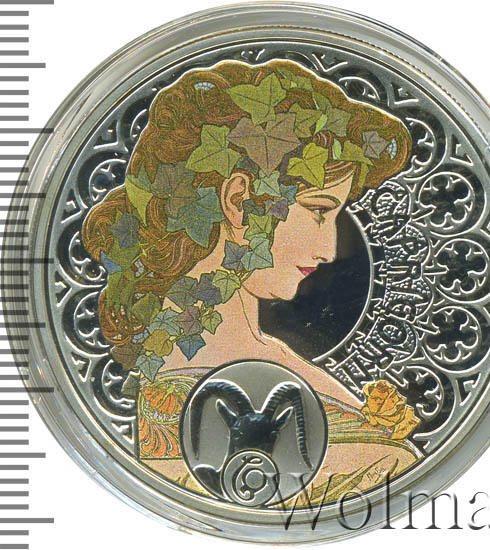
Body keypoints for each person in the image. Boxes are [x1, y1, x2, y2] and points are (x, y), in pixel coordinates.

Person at [82, 59, 421, 503]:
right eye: (319, 211)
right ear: (239, 200)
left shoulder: (252, 357)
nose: (330, 250)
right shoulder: (195, 392)